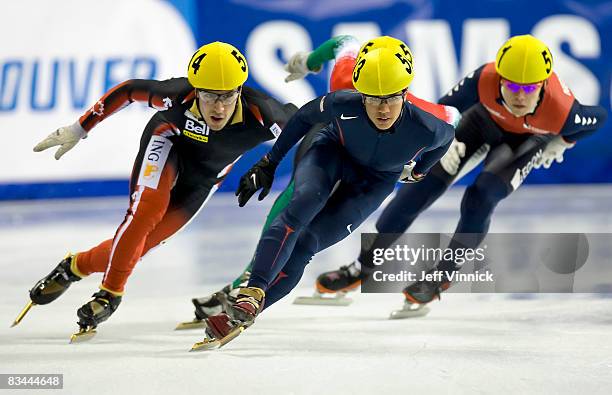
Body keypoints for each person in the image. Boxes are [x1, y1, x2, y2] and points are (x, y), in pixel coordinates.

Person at [12, 42, 298, 340]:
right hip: (167, 144)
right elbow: (127, 91)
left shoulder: (265, 112)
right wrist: (80, 128)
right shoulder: (175, 95)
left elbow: (307, 127)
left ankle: (73, 267)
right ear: (196, 90)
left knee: (141, 246)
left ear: (239, 90)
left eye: (227, 96)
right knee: (146, 211)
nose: (219, 107)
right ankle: (109, 295)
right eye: (210, 96)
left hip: (205, 176)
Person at [181, 35, 461, 327]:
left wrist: (420, 170)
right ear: (359, 89)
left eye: (390, 98)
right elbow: (305, 114)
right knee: (300, 204)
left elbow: (451, 127)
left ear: (405, 92)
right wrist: (269, 161)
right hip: (333, 150)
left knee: (306, 244)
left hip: (376, 178)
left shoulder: (430, 123)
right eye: (372, 98)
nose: (382, 110)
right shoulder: (344, 90)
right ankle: (252, 287)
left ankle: (247, 312)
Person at [314, 34, 608, 309]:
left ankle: (442, 273)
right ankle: (364, 265)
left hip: (527, 141)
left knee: (480, 197)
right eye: (512, 86)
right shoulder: (485, 78)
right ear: (499, 78)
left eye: (529, 88)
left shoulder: (563, 111)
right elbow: (441, 111)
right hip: (482, 123)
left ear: (544, 85)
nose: (520, 96)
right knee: (418, 187)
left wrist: (563, 140)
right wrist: (443, 141)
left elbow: (598, 118)